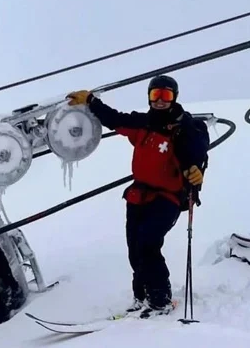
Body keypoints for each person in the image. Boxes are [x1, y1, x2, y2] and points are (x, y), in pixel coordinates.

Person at [66, 75, 209, 318]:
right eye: (156, 95)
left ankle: (160, 299)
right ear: (149, 97)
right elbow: (115, 119)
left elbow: (195, 152)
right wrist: (90, 100)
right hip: (138, 195)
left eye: (166, 95)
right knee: (135, 248)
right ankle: (142, 296)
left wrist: (196, 170)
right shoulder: (144, 123)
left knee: (148, 242)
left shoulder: (183, 127)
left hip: (168, 196)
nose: (161, 101)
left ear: (174, 97)